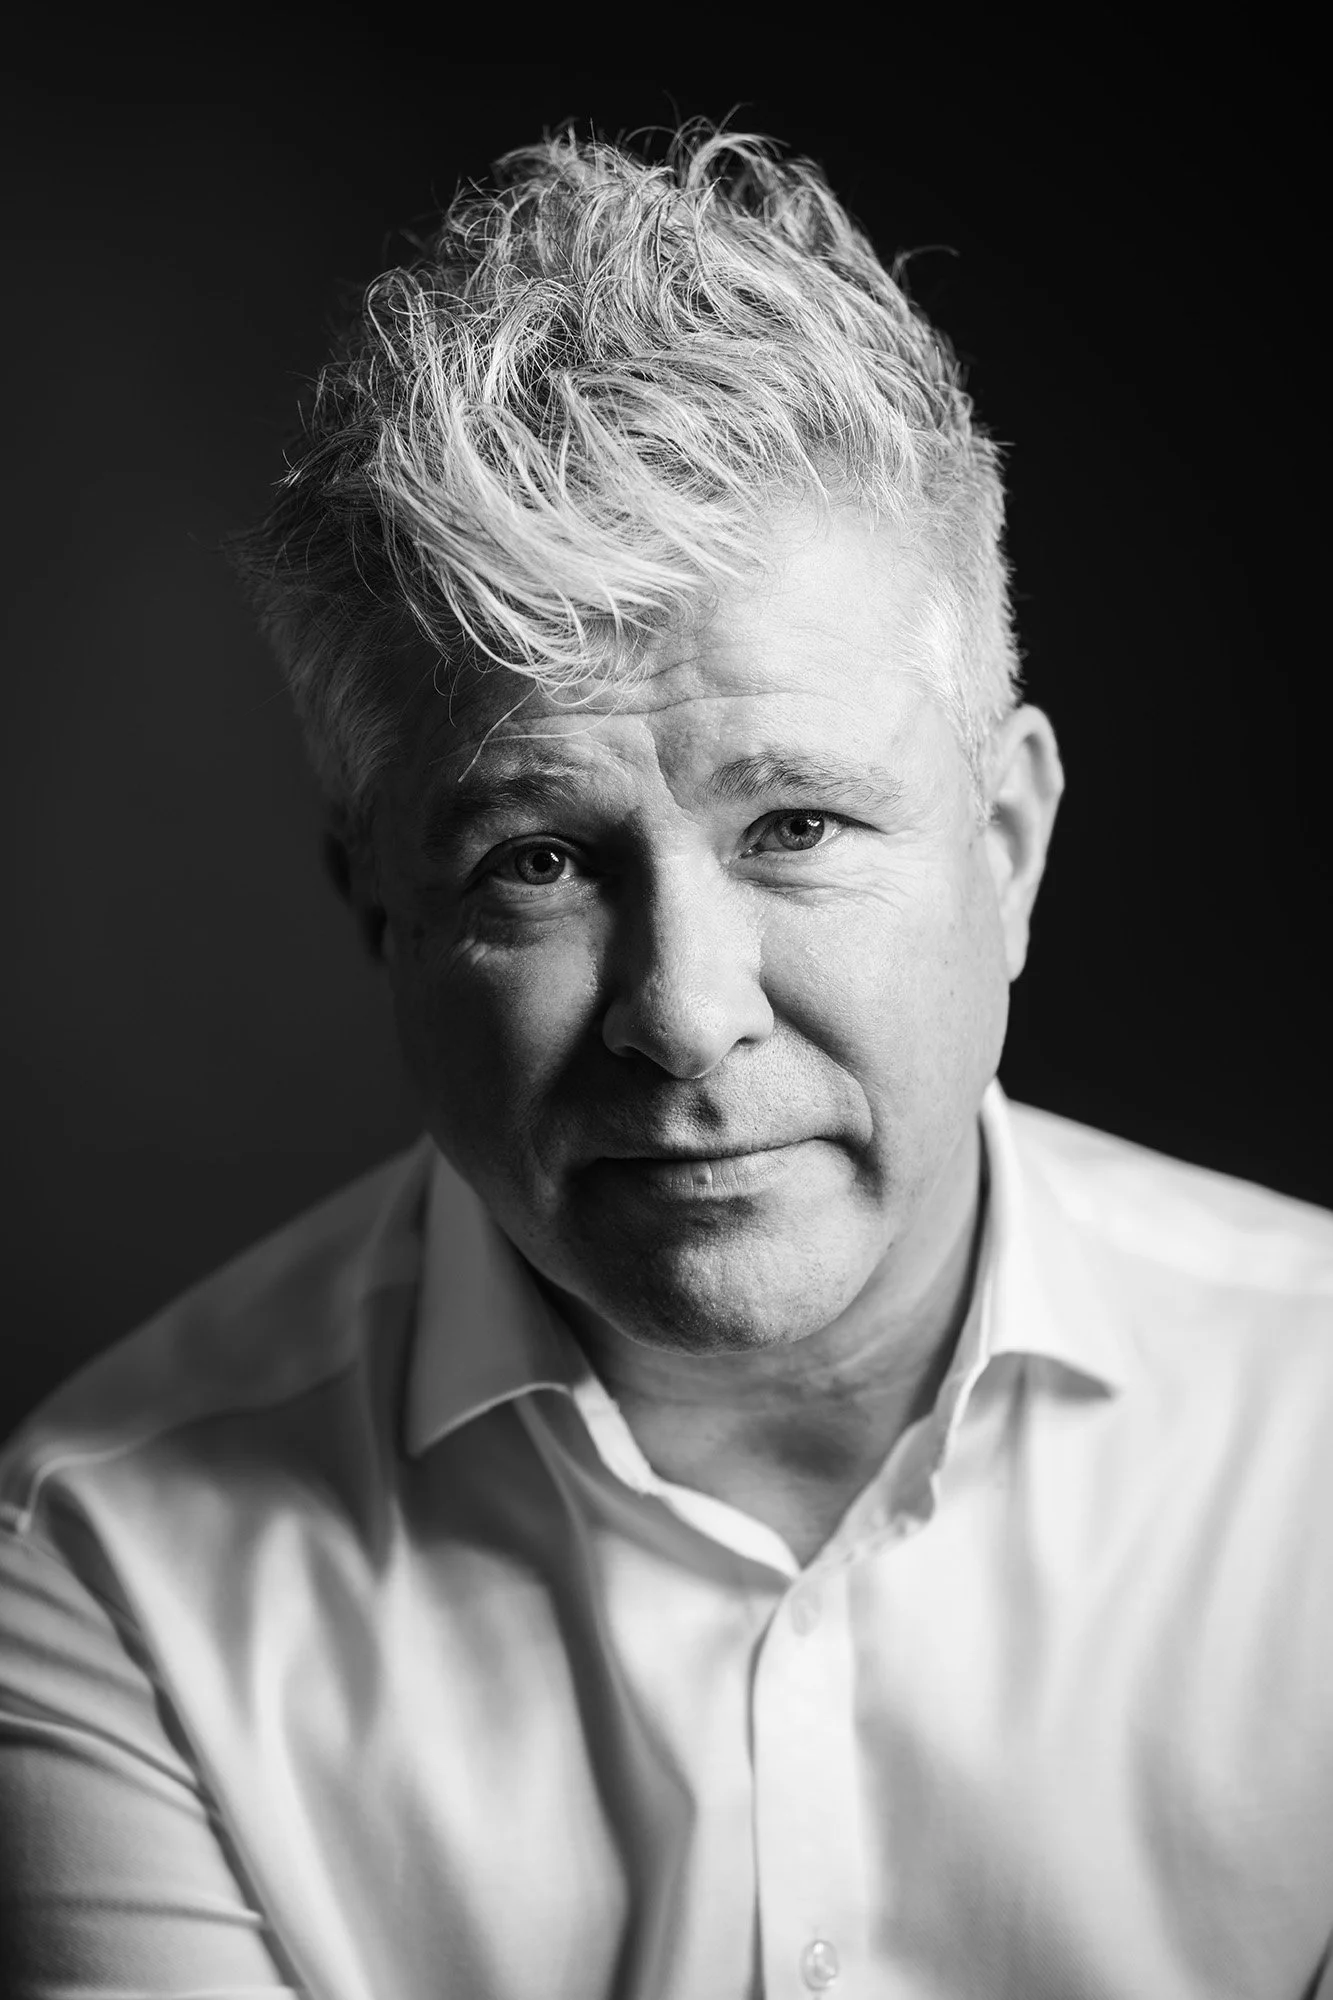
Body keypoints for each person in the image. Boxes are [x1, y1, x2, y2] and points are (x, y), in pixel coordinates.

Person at [1, 122, 1329, 2000]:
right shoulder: (107, 1566)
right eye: (537, 861)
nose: (686, 1013)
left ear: (1010, 849)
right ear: (382, 912)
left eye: (794, 826)